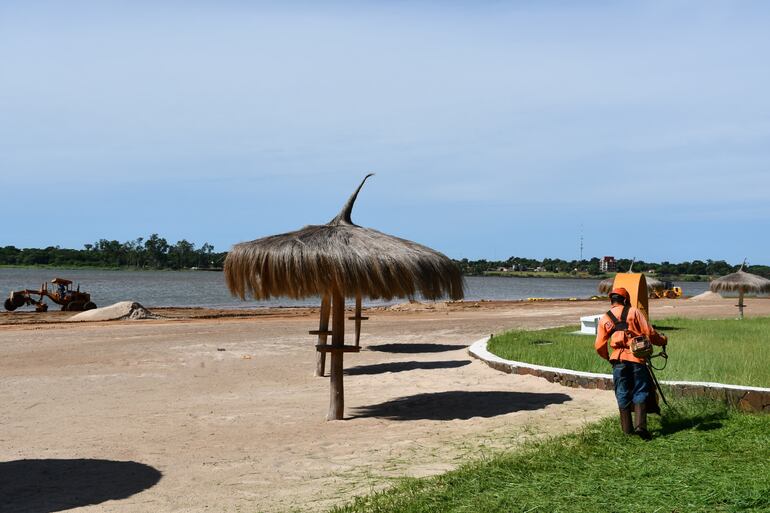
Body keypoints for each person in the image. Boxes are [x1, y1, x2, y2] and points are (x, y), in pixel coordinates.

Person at [595, 287, 667, 440]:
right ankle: (640, 426)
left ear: (611, 300)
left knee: (621, 392)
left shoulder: (605, 318)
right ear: (626, 300)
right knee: (640, 389)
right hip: (636, 358)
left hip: (618, 360)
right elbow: (649, 332)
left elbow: (599, 346)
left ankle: (627, 430)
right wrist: (662, 341)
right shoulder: (634, 312)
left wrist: (609, 357)